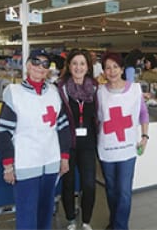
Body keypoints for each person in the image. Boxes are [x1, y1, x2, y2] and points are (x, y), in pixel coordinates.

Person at [0, 49, 71, 230]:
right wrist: (7, 166)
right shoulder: (14, 93)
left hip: (51, 163)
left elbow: (63, 127)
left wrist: (64, 157)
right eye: (36, 62)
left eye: (45, 64)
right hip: (26, 165)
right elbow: (3, 132)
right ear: (28, 65)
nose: (40, 67)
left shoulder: (54, 93)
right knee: (27, 216)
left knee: (46, 213)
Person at [97, 52, 149, 230]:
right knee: (111, 190)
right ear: (103, 71)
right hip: (106, 148)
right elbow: (97, 119)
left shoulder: (135, 89)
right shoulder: (100, 92)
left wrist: (145, 136)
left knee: (124, 192)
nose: (111, 71)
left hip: (127, 149)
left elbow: (143, 113)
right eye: (107, 67)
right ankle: (115, 223)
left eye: (115, 67)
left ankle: (120, 227)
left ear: (122, 69)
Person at [57, 49, 98, 230]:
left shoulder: (96, 88)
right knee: (68, 182)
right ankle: (71, 219)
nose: (78, 67)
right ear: (69, 66)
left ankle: (87, 220)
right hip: (67, 145)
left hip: (88, 145)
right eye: (75, 63)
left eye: (82, 63)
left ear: (88, 67)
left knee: (89, 184)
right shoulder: (61, 89)